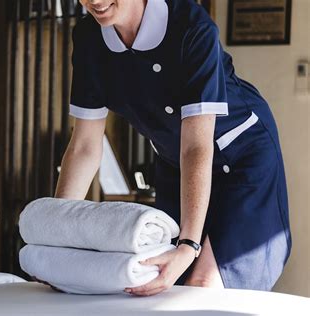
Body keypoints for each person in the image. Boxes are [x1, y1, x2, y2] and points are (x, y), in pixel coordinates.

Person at [54, 0, 292, 296]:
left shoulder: (191, 28)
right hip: (175, 163)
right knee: (157, 283)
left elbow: (196, 146)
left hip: (242, 158)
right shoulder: (90, 39)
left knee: (202, 285)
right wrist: (55, 238)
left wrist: (188, 245)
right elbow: (84, 147)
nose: (95, 1)